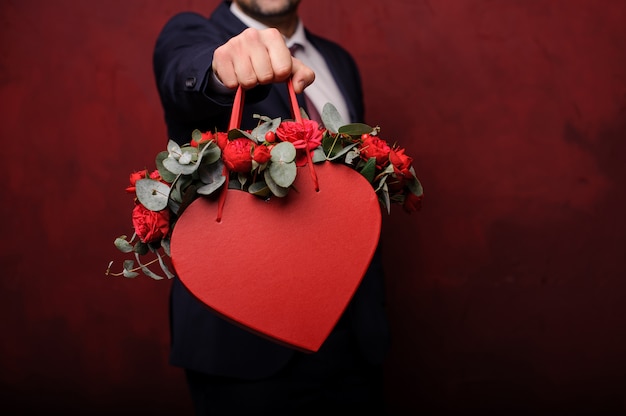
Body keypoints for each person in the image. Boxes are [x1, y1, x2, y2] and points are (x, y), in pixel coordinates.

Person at [153, 1, 390, 414]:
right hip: (244, 349)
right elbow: (186, 71)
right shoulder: (192, 35)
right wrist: (220, 70)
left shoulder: (337, 60)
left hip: (352, 334)